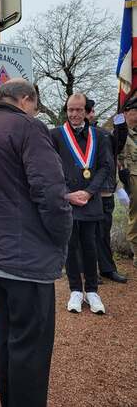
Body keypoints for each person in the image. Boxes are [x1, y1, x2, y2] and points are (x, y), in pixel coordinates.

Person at [0, 79, 72, 407]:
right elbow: (51, 194)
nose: (34, 111)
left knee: (9, 338)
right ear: (26, 100)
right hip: (25, 258)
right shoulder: (28, 128)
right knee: (31, 349)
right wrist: (61, 236)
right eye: (34, 106)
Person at [51, 93, 110, 315]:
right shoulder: (55, 135)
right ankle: (75, 289)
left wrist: (88, 191)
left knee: (91, 245)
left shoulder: (99, 135)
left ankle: (93, 290)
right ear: (66, 110)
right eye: (70, 110)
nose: (74, 114)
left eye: (79, 110)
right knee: (71, 246)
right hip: (67, 200)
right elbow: (50, 167)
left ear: (86, 111)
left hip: (90, 200)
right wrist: (67, 193)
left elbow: (105, 167)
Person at [85, 99, 127, 283]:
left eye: (92, 110)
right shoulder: (77, 136)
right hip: (86, 193)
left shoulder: (102, 134)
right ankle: (88, 270)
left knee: (103, 233)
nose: (92, 113)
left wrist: (120, 123)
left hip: (105, 192)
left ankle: (107, 268)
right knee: (86, 235)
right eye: (89, 110)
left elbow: (117, 145)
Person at [118, 96, 137, 267]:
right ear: (126, 113)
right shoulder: (120, 134)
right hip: (131, 178)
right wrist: (120, 187)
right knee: (135, 216)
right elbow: (116, 160)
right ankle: (136, 252)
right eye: (135, 111)